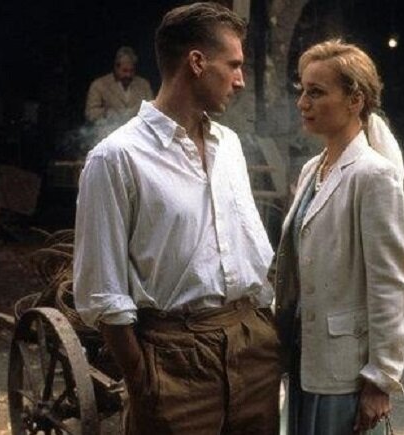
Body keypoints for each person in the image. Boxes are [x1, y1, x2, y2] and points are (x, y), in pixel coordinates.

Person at [74, 3, 280, 434]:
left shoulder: (229, 146)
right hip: (173, 362)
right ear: (197, 63)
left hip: (252, 351)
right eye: (234, 65)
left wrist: (263, 336)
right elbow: (103, 291)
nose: (240, 80)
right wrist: (144, 381)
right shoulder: (116, 158)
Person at [274, 39, 404, 435]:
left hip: (345, 371)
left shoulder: (373, 176)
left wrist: (381, 379)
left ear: (355, 100)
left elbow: (390, 284)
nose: (303, 103)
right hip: (306, 356)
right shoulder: (312, 170)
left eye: (316, 92)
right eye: (302, 90)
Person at [84, 46, 154, 133]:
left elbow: (152, 110)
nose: (128, 75)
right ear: (116, 68)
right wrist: (107, 113)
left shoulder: (144, 85)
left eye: (131, 71)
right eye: (125, 71)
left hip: (138, 133)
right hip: (108, 133)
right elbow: (90, 113)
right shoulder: (99, 85)